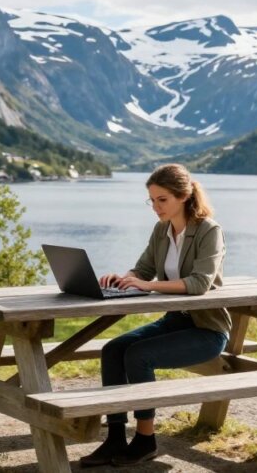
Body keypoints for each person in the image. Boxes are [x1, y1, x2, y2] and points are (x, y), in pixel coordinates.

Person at [79, 163, 232, 468]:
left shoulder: (208, 230)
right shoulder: (162, 230)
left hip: (207, 330)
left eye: (162, 200)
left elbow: (200, 283)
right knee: (113, 350)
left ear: (184, 195)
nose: (156, 207)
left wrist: (147, 285)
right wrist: (123, 279)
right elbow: (144, 269)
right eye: (152, 200)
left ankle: (145, 440)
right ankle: (115, 438)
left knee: (138, 356)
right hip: (175, 321)